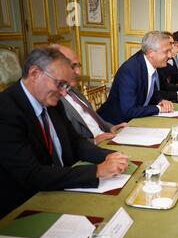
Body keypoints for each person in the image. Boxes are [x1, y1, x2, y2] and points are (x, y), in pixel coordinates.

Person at [0, 47, 129, 218]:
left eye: (66, 86)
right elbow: (32, 174)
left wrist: (110, 155)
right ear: (35, 73)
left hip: (63, 188)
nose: (63, 92)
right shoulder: (6, 110)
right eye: (60, 84)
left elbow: (75, 142)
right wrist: (97, 171)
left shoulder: (52, 101)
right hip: (27, 206)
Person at [51, 44, 128, 145]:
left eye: (79, 66)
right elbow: (66, 143)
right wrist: (94, 141)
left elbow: (93, 117)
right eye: (73, 66)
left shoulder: (73, 90)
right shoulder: (52, 100)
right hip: (91, 148)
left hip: (107, 138)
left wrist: (111, 128)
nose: (78, 72)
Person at [97, 31, 174, 124]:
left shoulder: (149, 64)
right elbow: (129, 111)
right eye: (166, 51)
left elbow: (149, 92)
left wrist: (161, 101)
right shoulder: (130, 70)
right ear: (151, 53)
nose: (170, 55)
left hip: (135, 122)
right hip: (114, 126)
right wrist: (158, 108)